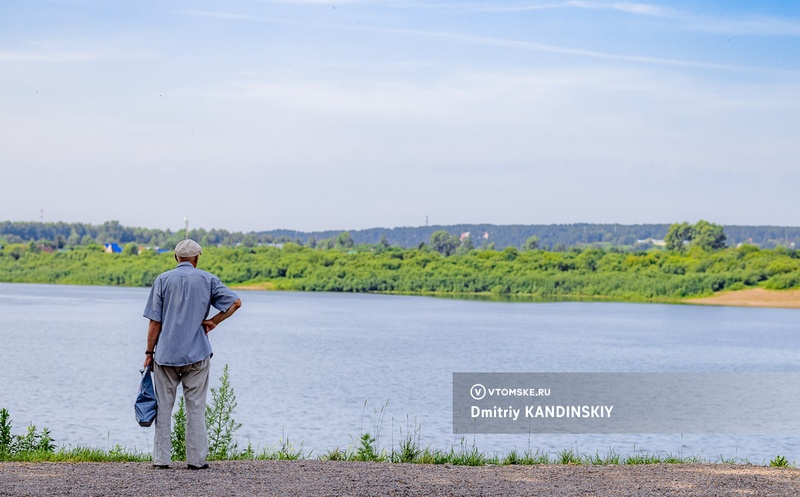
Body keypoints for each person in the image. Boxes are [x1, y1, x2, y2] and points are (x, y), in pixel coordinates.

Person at [142, 239, 242, 470]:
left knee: (163, 408)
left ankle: (161, 460)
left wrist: (149, 352)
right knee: (195, 408)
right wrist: (214, 321)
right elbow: (235, 303)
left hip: (165, 354)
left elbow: (155, 321)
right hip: (197, 353)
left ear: (176, 257)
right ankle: (196, 461)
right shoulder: (207, 279)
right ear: (197, 259)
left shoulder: (163, 280)